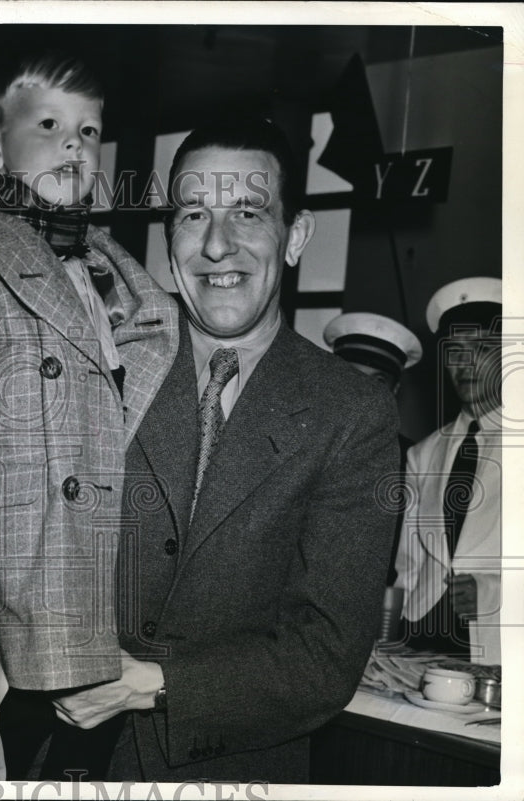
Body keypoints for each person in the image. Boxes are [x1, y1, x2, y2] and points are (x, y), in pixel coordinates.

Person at [52, 115, 400, 783]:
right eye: (193, 215)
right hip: (58, 759)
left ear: (295, 236)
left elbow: (325, 658)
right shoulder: (98, 364)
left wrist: (154, 685)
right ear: (169, 239)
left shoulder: (350, 413)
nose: (217, 245)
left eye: (248, 212)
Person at [0, 54, 180, 775]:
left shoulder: (113, 275)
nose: (73, 145)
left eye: (89, 131)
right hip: (17, 612)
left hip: (107, 601)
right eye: (50, 125)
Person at [393, 277, 502, 664]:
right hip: (422, 636)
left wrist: (493, 592)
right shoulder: (424, 454)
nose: (465, 364)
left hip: (499, 641)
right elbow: (409, 564)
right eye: (455, 351)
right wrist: (392, 639)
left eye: (482, 348)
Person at [324, 311, 422, 584]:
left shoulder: (415, 462)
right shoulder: (294, 448)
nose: (363, 393)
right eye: (351, 377)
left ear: (395, 389)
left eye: (377, 382)